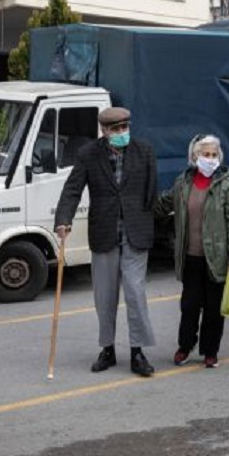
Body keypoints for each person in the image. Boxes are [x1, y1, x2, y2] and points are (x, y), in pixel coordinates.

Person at [54, 107, 158, 377]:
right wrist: (63, 220)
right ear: (104, 131)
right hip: (104, 234)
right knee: (105, 297)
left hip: (135, 233)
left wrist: (143, 218)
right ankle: (108, 349)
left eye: (125, 127)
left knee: (135, 294)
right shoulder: (88, 154)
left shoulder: (144, 151)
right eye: (116, 129)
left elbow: (151, 192)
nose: (122, 133)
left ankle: (137, 352)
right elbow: (72, 189)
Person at [156, 134, 229, 369]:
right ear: (195, 156)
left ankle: (210, 351)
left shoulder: (228, 185)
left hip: (216, 257)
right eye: (206, 154)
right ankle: (185, 347)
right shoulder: (183, 183)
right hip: (190, 257)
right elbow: (164, 204)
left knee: (214, 309)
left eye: (214, 154)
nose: (210, 159)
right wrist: (138, 202)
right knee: (189, 306)